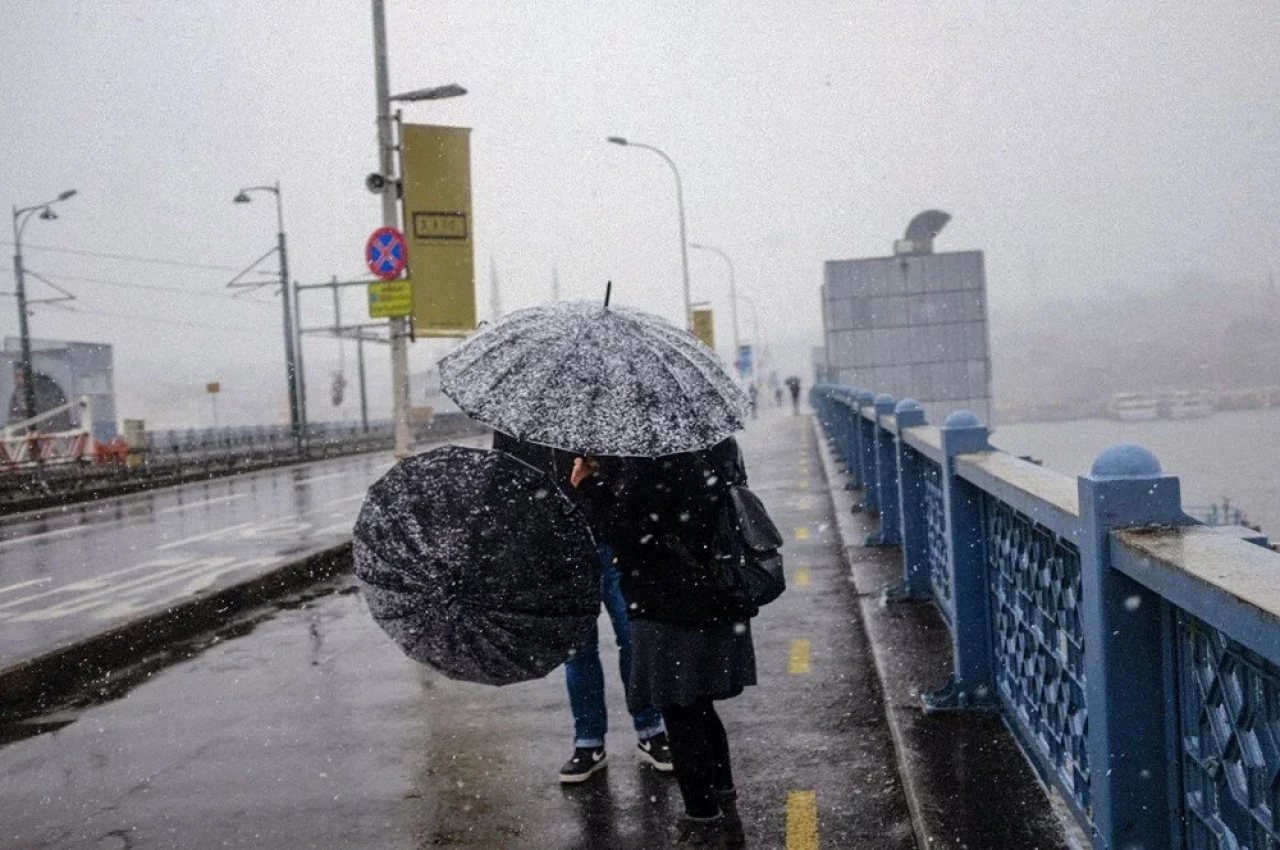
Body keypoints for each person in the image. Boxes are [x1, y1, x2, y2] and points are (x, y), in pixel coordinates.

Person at [572, 438, 756, 848]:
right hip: (713, 591)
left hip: (669, 601)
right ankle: (723, 797)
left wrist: (588, 486)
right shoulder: (716, 445)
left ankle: (702, 818)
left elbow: (627, 531)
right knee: (701, 705)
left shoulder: (652, 460)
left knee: (681, 710)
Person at [491, 431, 674, 783]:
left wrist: (598, 474)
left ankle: (651, 730)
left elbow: (633, 472)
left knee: (633, 637)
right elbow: (506, 482)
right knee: (578, 650)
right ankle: (588, 742)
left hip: (612, 542)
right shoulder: (518, 422)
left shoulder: (599, 409)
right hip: (559, 551)